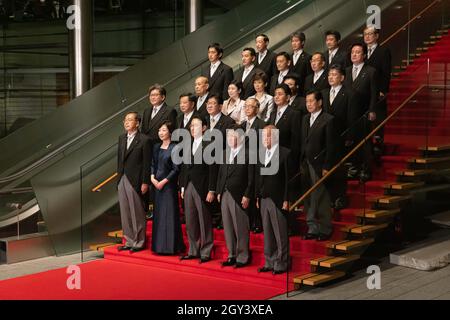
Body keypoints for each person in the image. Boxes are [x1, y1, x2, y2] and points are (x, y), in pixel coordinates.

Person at [179, 116, 218, 263]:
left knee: (204, 220)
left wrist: (212, 189)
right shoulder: (187, 143)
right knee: (190, 220)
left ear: (204, 128)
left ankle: (206, 251)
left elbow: (213, 170)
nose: (192, 128)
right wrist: (182, 186)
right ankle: (193, 250)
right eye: (191, 126)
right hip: (188, 186)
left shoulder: (210, 144)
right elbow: (184, 168)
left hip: (203, 187)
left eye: (196, 125)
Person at [301, 91, 337, 241]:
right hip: (306, 163)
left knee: (320, 196)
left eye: (311, 101)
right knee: (309, 197)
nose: (309, 104)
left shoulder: (328, 120)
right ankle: (312, 227)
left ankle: (325, 228)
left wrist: (327, 166)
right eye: (307, 101)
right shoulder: (305, 119)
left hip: (320, 163)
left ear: (320, 102)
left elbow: (331, 145)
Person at [216, 126, 254, 268]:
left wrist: (247, 195)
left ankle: (243, 256)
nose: (231, 139)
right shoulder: (225, 153)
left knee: (240, 226)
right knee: (228, 226)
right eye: (229, 136)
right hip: (225, 193)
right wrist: (219, 191)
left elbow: (251, 179)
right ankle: (231, 254)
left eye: (234, 136)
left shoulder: (249, 154)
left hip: (239, 195)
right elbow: (221, 174)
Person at [256, 125, 290, 275]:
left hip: (278, 198)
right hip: (264, 198)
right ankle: (269, 261)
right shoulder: (261, 153)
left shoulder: (285, 153)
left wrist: (286, 199)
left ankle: (282, 262)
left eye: (267, 136)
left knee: (279, 232)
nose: (265, 139)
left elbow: (289, 179)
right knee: (268, 232)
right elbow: (259, 177)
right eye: (263, 136)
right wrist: (258, 195)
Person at [322, 64, 357, 210]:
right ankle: (328, 198)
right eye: (329, 74)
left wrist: (349, 136)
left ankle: (340, 197)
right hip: (324, 138)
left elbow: (352, 117)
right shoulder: (323, 93)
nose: (331, 77)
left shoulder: (349, 93)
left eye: (335, 74)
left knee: (339, 169)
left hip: (340, 137)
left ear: (342, 77)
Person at [117, 112, 151, 253]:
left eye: (130, 120)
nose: (127, 122)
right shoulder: (122, 138)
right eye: (125, 120)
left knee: (136, 212)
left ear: (137, 123)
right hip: (122, 178)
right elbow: (120, 160)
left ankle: (139, 241)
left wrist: (145, 182)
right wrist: (118, 178)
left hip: (136, 179)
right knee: (125, 212)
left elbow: (147, 163)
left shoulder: (144, 139)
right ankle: (129, 240)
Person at [344, 43, 378, 181]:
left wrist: (372, 110)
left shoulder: (370, 71)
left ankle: (366, 169)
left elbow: (374, 93)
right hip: (348, 114)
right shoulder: (345, 71)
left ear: (364, 55)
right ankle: (353, 168)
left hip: (363, 112)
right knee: (351, 142)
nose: (354, 54)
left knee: (364, 142)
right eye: (352, 52)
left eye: (358, 52)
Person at [151, 121, 186, 255]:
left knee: (170, 216)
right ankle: (158, 247)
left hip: (168, 186)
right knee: (159, 216)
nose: (161, 133)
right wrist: (152, 178)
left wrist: (163, 182)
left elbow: (176, 169)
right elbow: (153, 164)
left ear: (170, 132)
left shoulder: (175, 148)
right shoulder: (156, 147)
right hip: (156, 185)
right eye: (159, 130)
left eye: (164, 130)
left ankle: (171, 247)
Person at [364, 25, 392, 158]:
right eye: (365, 34)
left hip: (377, 92)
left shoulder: (383, 51)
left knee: (378, 120)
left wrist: (382, 90)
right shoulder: (361, 51)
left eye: (370, 34)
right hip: (364, 92)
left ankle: (378, 148)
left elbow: (386, 73)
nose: (367, 37)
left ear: (376, 36)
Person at [240, 98, 266, 233]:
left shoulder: (262, 124)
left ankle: (258, 222)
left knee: (255, 192)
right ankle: (248, 221)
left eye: (251, 106)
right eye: (246, 106)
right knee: (246, 191)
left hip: (256, 163)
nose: (247, 108)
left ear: (257, 108)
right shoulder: (242, 125)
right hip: (243, 164)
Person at [267, 83, 301, 177]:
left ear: (288, 97)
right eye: (275, 94)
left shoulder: (294, 113)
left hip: (286, 158)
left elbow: (295, 140)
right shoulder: (272, 114)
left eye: (280, 94)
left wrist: (293, 160)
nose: (276, 97)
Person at [289, 31, 312, 96]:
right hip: (291, 91)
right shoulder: (289, 57)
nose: (294, 43)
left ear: (302, 42)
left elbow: (309, 76)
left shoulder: (308, 57)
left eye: (296, 41)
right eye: (292, 41)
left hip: (302, 90)